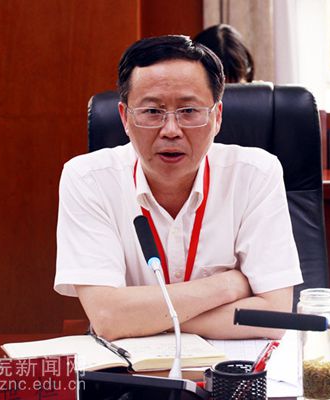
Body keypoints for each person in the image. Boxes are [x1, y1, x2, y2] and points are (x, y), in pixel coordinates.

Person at [54, 35, 302, 341]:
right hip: (132, 367)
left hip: (232, 364)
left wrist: (140, 318)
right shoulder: (87, 179)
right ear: (125, 118)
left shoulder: (255, 174)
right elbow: (107, 317)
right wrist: (228, 286)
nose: (171, 131)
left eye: (188, 111)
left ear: (217, 116)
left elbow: (274, 316)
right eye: (152, 112)